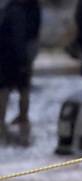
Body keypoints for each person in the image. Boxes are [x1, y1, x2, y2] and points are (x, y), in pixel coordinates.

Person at [0, 0, 39, 145]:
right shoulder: (27, 8)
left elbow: (19, 35)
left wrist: (23, 58)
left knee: (7, 89)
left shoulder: (16, 10)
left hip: (12, 57)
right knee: (20, 88)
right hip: (15, 56)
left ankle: (12, 118)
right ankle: (20, 117)